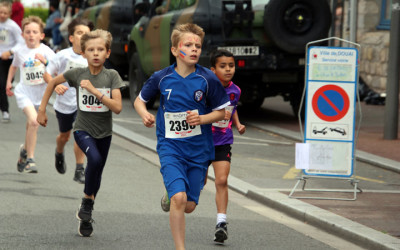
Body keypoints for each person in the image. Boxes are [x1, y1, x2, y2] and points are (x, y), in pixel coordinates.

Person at [134, 23, 230, 250]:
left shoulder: (208, 79)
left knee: (188, 205)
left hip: (199, 150)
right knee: (179, 199)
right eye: (188, 45)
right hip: (170, 147)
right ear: (175, 50)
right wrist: (144, 113)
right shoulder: (162, 77)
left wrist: (202, 118)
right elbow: (140, 100)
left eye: (198, 45)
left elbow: (223, 112)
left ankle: (171, 194)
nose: (194, 49)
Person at [37, 29, 124, 237]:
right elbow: (52, 82)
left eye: (100, 49)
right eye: (91, 50)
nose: (95, 53)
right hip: (82, 129)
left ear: (108, 53)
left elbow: (118, 107)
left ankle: (87, 213)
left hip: (104, 133)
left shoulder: (112, 76)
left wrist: (94, 92)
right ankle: (87, 200)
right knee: (92, 160)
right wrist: (41, 110)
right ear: (83, 54)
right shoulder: (78, 74)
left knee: (97, 171)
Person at [44, 17, 94, 183]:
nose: (83, 36)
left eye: (87, 33)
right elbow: (47, 73)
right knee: (64, 136)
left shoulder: (93, 56)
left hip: (84, 103)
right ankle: (59, 151)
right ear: (71, 38)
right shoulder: (63, 55)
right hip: (65, 103)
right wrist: (55, 86)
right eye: (80, 33)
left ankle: (79, 169)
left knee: (80, 133)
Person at [6, 16, 55, 173]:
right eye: (28, 32)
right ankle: (30, 160)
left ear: (41, 35)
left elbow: (56, 68)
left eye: (35, 32)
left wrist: (45, 63)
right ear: (23, 35)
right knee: (34, 122)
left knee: (31, 125)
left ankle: (24, 150)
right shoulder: (20, 51)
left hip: (41, 95)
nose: (31, 35)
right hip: (24, 92)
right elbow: (13, 67)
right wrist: (9, 82)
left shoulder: (46, 51)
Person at [209, 49, 246, 244]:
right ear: (213, 69)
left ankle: (221, 223)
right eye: (223, 66)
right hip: (202, 141)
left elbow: (232, 109)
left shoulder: (236, 90)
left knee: (221, 180)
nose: (228, 69)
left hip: (223, 141)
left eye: (231, 66)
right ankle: (173, 193)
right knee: (194, 191)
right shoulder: (207, 88)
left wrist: (237, 124)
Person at [0, 1, 24, 122]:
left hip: (10, 60)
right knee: (1, 84)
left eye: (5, 13)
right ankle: (5, 111)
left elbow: (21, 42)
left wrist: (10, 52)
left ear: (9, 13)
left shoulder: (13, 26)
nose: (2, 15)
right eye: (0, 12)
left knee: (5, 84)